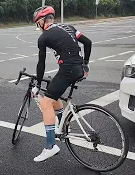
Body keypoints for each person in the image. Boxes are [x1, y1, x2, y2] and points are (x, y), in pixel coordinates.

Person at [32, 6, 92, 162]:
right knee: (54, 96)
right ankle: (64, 126)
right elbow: (87, 42)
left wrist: (38, 86)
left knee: (45, 103)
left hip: (68, 69)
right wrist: (85, 63)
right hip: (79, 68)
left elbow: (41, 64)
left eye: (37, 23)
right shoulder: (68, 27)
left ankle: (50, 146)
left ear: (42, 21)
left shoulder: (44, 37)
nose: (38, 27)